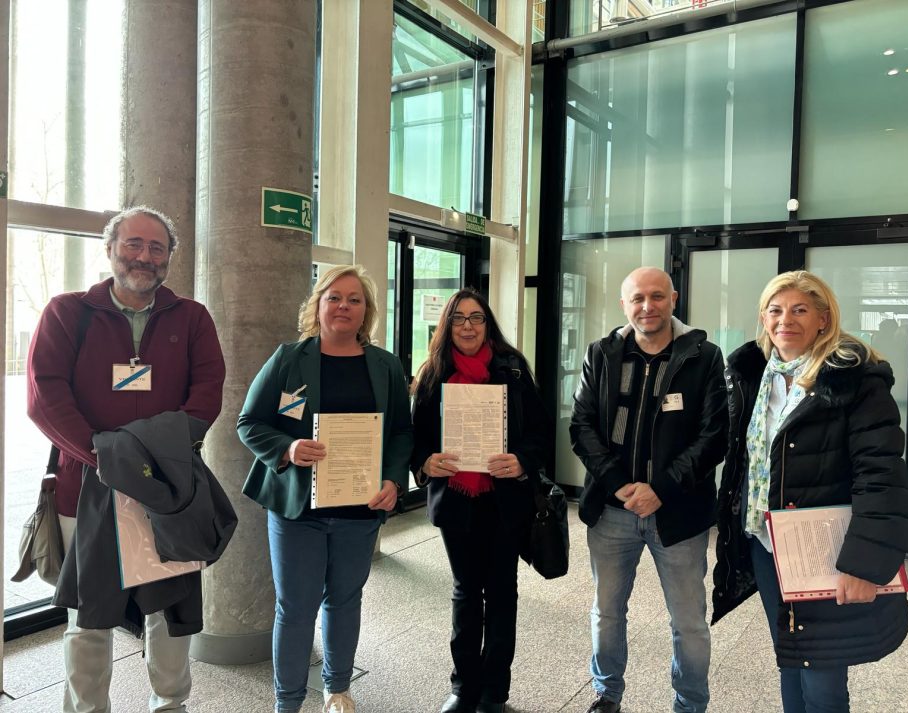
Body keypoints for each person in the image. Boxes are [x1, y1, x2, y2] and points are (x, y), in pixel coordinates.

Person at [26, 205, 227, 713]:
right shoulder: (66, 312)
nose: (144, 255)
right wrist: (103, 454)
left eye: (157, 247)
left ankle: (170, 703)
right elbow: (44, 396)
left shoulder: (192, 318)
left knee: (169, 607)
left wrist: (152, 457)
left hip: (169, 489)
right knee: (88, 615)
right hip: (87, 487)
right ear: (111, 248)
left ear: (168, 259)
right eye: (134, 243)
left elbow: (207, 396)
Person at [711, 270, 908, 713]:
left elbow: (880, 474)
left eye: (800, 309)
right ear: (764, 318)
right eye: (776, 310)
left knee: (822, 675)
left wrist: (865, 564)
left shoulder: (855, 380)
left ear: (823, 319)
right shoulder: (753, 377)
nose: (786, 319)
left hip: (824, 550)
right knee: (790, 658)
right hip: (766, 544)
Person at [238, 264, 412, 713]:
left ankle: (338, 690)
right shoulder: (288, 359)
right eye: (334, 297)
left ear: (366, 311)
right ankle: (288, 702)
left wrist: (393, 479)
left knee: (345, 600)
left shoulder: (386, 365)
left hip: (360, 508)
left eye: (354, 300)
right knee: (295, 608)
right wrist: (288, 447)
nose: (343, 306)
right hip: (299, 510)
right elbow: (249, 423)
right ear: (317, 305)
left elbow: (400, 433)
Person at [570, 267, 728, 713]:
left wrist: (659, 489)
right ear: (624, 305)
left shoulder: (704, 356)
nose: (647, 306)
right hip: (612, 512)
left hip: (678, 515)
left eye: (657, 297)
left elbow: (713, 436)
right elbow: (582, 427)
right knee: (606, 612)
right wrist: (620, 486)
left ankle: (690, 704)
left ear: (673, 299)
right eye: (637, 298)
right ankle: (606, 694)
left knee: (689, 622)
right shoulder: (601, 354)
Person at [411, 289, 550, 713]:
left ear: (488, 324)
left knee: (502, 593)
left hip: (503, 499)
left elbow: (541, 434)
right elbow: (415, 440)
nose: (468, 326)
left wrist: (521, 460)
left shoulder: (513, 370)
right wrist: (425, 462)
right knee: (466, 592)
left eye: (477, 318)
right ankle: (463, 686)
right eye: (459, 319)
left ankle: (494, 691)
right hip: (456, 499)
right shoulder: (433, 373)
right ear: (447, 325)